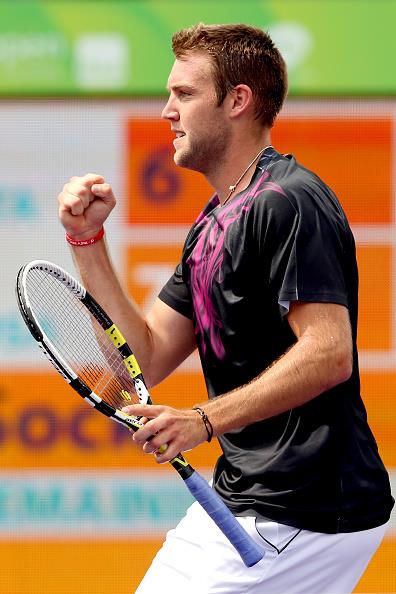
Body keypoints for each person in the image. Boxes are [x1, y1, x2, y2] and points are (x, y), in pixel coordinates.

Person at [58, 23, 393, 594]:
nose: (167, 111)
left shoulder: (289, 201)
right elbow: (145, 356)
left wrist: (203, 420)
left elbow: (330, 351)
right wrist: (87, 242)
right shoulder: (214, 222)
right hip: (245, 498)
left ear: (237, 101)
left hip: (304, 509)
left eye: (184, 95)